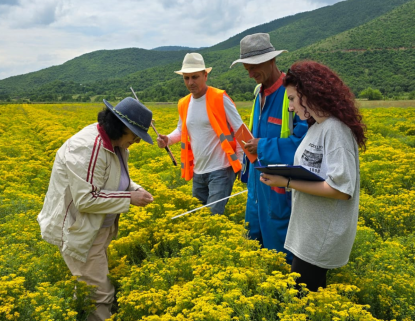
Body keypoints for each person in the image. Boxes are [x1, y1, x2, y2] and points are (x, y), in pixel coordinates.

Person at [37, 97, 155, 321]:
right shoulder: (87, 147)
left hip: (95, 228)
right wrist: (129, 198)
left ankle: (84, 318)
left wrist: (135, 189)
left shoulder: (116, 144)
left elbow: (115, 180)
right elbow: (86, 198)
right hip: (79, 228)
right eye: (135, 134)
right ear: (121, 126)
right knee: (100, 289)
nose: (136, 140)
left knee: (91, 281)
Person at [259, 61, 366, 292]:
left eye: (292, 99)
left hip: (321, 234)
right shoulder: (316, 126)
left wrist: (287, 181)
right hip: (307, 231)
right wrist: (283, 177)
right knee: (311, 299)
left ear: (308, 95)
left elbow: (341, 189)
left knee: (302, 301)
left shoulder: (335, 130)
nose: (290, 107)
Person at [231, 33, 309, 264]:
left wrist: (262, 145)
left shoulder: (292, 96)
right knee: (252, 247)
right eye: (247, 68)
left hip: (281, 191)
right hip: (256, 188)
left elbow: (305, 144)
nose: (251, 73)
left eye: (254, 67)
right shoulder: (258, 94)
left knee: (280, 255)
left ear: (272, 60)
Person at [156, 52, 244, 215]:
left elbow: (240, 129)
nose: (190, 82)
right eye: (186, 78)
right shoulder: (184, 103)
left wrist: (241, 163)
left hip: (222, 170)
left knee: (212, 218)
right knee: (200, 219)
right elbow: (181, 130)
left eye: (195, 77)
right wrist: (167, 139)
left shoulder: (219, 97)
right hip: (198, 172)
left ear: (205, 75)